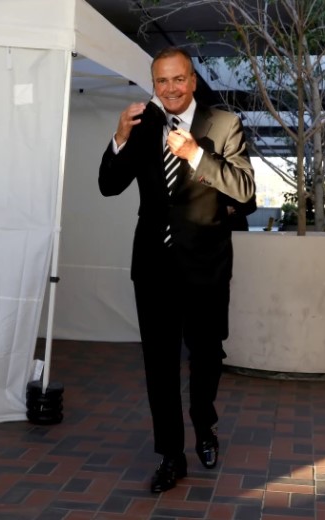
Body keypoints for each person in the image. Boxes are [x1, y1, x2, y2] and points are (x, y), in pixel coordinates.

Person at [98, 46, 255, 493]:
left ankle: (204, 425)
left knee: (207, 356)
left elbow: (245, 192)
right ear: (154, 84)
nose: (169, 88)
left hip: (206, 266)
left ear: (193, 81)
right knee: (159, 365)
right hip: (153, 266)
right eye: (161, 81)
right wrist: (120, 138)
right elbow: (109, 186)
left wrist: (195, 156)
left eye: (178, 79)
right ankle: (171, 454)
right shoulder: (143, 124)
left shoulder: (223, 125)